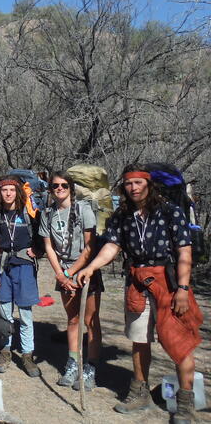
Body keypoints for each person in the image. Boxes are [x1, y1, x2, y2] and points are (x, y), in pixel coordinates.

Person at [78, 165, 203, 423]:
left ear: (149, 184)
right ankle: (140, 391)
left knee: (180, 343)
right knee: (139, 339)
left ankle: (185, 403)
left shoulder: (171, 212)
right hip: (136, 282)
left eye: (138, 183)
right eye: (128, 183)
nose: (134, 188)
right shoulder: (122, 215)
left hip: (168, 283)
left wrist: (182, 288)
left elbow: (184, 252)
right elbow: (112, 246)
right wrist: (91, 267)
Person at [39, 171, 102, 391]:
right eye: (55, 186)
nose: (59, 189)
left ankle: (91, 367)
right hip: (63, 269)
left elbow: (90, 246)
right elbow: (48, 246)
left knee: (90, 320)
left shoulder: (83, 210)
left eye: (64, 185)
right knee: (73, 319)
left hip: (85, 269)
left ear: (71, 188)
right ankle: (73, 362)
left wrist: (70, 273)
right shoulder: (47, 213)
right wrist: (60, 273)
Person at [0, 174, 41, 377]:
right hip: (4, 268)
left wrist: (39, 251)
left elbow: (42, 236)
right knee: (4, 312)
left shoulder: (28, 213)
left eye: (12, 190)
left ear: (17, 192)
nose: (8, 193)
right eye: (4, 190)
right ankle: (5, 351)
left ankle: (27, 355)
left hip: (24, 266)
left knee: (25, 314)